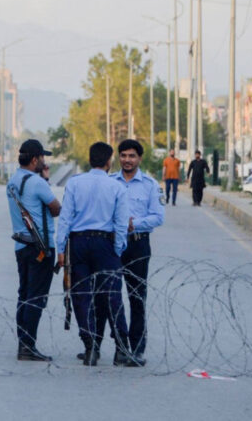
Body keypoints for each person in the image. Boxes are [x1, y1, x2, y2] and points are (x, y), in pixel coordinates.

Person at [56, 142, 136, 367]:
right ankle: (121, 348)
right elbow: (121, 224)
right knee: (112, 296)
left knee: (81, 296)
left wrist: (61, 249)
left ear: (90, 159)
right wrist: (117, 250)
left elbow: (65, 219)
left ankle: (90, 346)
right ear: (109, 161)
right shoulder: (117, 187)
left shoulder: (75, 183)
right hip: (105, 244)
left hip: (78, 242)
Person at [93, 139, 164, 366]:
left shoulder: (150, 185)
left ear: (139, 159)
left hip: (137, 245)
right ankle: (95, 345)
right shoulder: (109, 182)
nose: (127, 160)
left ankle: (136, 349)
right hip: (112, 245)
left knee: (136, 298)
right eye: (123, 155)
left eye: (132, 156)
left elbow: (158, 216)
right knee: (106, 297)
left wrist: (135, 223)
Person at [6, 139, 61, 361]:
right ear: (35, 159)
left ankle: (23, 342)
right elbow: (56, 208)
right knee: (36, 298)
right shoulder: (38, 183)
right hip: (41, 248)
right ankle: (28, 347)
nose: (44, 162)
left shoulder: (13, 181)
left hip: (22, 245)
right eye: (43, 158)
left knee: (25, 295)